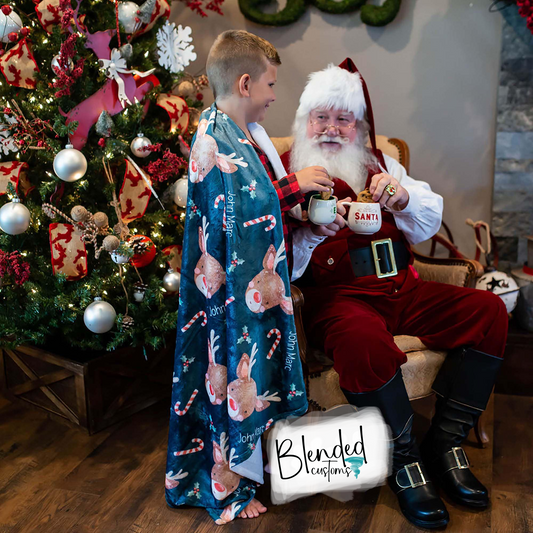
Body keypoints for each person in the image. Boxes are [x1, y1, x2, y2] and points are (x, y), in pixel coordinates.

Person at [283, 59, 508, 529]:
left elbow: (425, 220)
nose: (331, 127)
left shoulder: (383, 165)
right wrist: (313, 229)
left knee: (488, 309)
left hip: (404, 288)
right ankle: (404, 460)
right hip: (340, 300)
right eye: (320, 117)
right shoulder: (286, 177)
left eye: (343, 118)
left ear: (359, 126)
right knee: (363, 343)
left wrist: (401, 198)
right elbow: (277, 264)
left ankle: (444, 444)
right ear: (305, 122)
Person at [165, 30, 334, 525]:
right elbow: (234, 215)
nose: (273, 95)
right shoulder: (213, 138)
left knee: (245, 375)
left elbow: (257, 203)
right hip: (225, 295)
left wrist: (299, 203)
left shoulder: (240, 135)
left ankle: (247, 470)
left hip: (246, 289)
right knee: (224, 376)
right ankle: (228, 489)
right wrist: (293, 185)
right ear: (244, 83)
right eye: (270, 84)